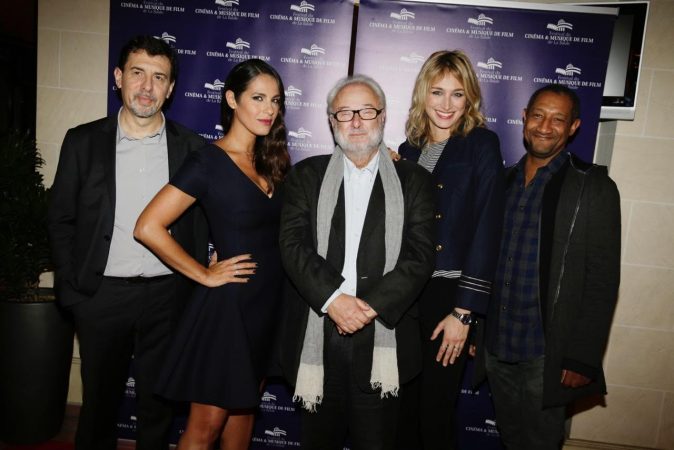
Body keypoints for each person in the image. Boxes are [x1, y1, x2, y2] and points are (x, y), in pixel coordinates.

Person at [47, 35, 208, 450]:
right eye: (137, 73)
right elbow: (60, 218)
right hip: (101, 296)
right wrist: (73, 291)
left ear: (171, 88)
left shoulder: (193, 149)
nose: (147, 87)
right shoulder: (82, 142)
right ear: (118, 77)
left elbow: (209, 222)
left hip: (168, 297)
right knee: (98, 405)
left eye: (160, 77)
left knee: (159, 405)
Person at [133, 58, 289, 450]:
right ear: (231, 100)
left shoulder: (272, 162)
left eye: (275, 100)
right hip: (229, 310)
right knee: (205, 429)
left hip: (266, 308)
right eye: (257, 98)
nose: (268, 109)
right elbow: (148, 226)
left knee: (242, 417)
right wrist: (203, 273)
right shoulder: (208, 161)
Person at [277, 74, 435, 450]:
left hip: (384, 338)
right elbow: (292, 245)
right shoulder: (305, 176)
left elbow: (420, 254)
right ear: (332, 122)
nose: (357, 122)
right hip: (317, 336)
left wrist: (367, 307)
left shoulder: (414, 180)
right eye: (345, 114)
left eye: (367, 111)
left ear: (383, 117)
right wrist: (335, 301)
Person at [481, 84, 621, 450]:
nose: (546, 126)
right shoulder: (503, 182)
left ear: (573, 127)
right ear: (524, 118)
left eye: (558, 119)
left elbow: (602, 281)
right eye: (539, 115)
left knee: (541, 442)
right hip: (497, 344)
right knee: (511, 439)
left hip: (547, 351)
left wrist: (582, 357)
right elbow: (482, 260)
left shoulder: (593, 187)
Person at [397, 49, 505, 449]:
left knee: (436, 409)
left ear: (470, 98)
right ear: (423, 94)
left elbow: (488, 227)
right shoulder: (407, 150)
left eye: (457, 94)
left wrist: (464, 312)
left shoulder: (481, 144)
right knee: (402, 407)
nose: (446, 104)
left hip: (449, 294)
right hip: (405, 297)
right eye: (437, 92)